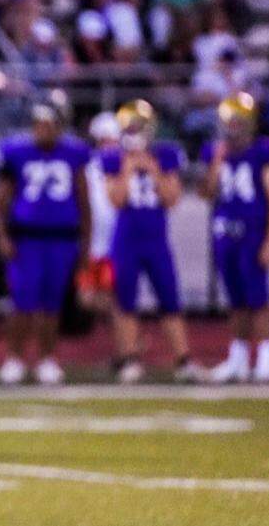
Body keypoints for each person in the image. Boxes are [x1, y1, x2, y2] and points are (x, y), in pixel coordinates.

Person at [0, 94, 91, 385]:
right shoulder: (17, 153)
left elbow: (83, 202)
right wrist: (2, 237)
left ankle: (47, 358)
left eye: (48, 124)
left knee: (52, 304)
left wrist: (85, 243)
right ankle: (15, 357)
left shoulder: (73, 154)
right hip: (26, 239)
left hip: (61, 239)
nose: (42, 130)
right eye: (38, 124)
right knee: (23, 302)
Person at [102, 100, 205, 383]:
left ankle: (183, 360)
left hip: (156, 239)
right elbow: (116, 200)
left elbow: (172, 199)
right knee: (126, 302)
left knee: (170, 300)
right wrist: (128, 169)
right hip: (126, 239)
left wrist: (154, 170)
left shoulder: (165, 155)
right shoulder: (114, 158)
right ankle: (131, 358)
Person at [200, 93, 269, 383]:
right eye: (230, 123)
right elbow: (207, 193)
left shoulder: (266, 151)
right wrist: (218, 161)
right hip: (225, 232)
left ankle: (266, 357)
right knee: (235, 300)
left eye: (238, 122)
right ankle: (237, 358)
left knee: (258, 298)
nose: (233, 128)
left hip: (253, 232)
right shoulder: (216, 152)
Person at [76, 112, 119, 318]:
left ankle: (127, 342)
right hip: (92, 240)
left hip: (115, 241)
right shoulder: (88, 166)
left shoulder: (124, 164)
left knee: (112, 295)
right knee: (86, 298)